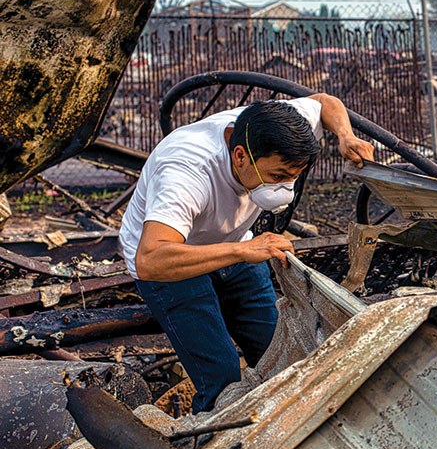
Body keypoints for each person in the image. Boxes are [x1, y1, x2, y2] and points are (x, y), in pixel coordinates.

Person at [118, 94, 373, 413]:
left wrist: (345, 136)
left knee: (280, 352)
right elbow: (150, 259)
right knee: (221, 375)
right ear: (239, 155)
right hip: (173, 261)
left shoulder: (278, 127)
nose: (286, 188)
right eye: (278, 176)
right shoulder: (187, 171)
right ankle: (210, 445)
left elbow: (325, 103)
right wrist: (243, 250)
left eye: (294, 176)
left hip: (236, 242)